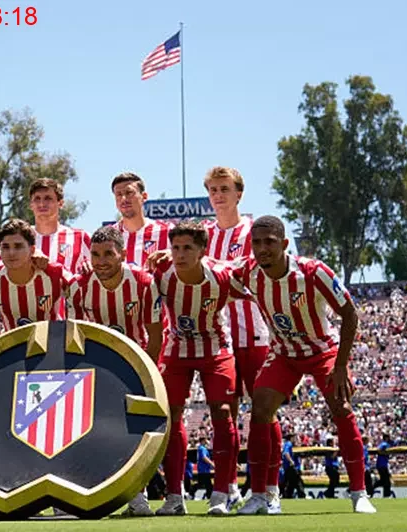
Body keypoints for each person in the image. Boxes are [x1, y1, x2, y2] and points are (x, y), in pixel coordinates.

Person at [234, 216, 376, 515]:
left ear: (284, 244)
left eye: (269, 242)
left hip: (322, 350)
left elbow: (350, 314)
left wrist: (341, 366)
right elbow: (214, 270)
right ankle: (261, 495)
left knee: (341, 408)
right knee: (260, 408)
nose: (262, 248)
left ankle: (359, 493)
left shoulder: (313, 271)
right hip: (284, 353)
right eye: (256, 243)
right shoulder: (248, 272)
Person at [65, 225, 162, 517]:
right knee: (88, 430)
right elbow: (74, 334)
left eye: (108, 254)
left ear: (123, 254)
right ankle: (78, 494)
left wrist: (148, 373)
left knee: (134, 432)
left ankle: (138, 496)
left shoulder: (143, 282)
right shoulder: (79, 286)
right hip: (95, 368)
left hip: (136, 364)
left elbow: (155, 335)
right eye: (95, 254)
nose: (101, 261)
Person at [152, 222, 248, 516]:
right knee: (170, 415)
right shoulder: (161, 273)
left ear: (202, 251)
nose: (180, 254)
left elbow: (257, 285)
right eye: (175, 248)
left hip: (215, 347)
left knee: (222, 412)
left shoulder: (222, 276)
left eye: (187, 248)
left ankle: (221, 494)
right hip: (176, 347)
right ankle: (174, 496)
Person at [203, 166, 273, 511]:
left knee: (264, 413)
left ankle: (269, 489)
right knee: (223, 415)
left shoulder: (254, 231)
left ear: (239, 194)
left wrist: (212, 267)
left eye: (225, 189)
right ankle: (228, 486)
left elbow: (249, 274)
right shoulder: (203, 233)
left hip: (255, 333)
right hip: (219, 337)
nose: (218, 195)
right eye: (213, 190)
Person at [0, 218, 73, 330]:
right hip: (13, 341)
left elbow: (80, 288)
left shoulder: (54, 274)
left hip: (52, 340)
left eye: (18, 246)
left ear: (32, 250)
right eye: (5, 247)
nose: (11, 253)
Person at [110, 172, 172, 267]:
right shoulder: (109, 236)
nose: (123, 199)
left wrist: (172, 254)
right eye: (118, 194)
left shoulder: (167, 231)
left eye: (129, 193)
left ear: (144, 196)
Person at [29, 178, 91, 274]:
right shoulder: (20, 237)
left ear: (60, 203)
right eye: (37, 199)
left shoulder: (81, 237)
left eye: (48, 198)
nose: (42, 204)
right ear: (31, 205)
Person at [281, 433, 304, 499]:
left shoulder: (287, 444)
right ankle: (301, 495)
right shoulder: (289, 444)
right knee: (298, 480)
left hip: (287, 467)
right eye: (294, 438)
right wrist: (291, 461)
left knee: (291, 482)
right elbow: (286, 453)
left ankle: (288, 496)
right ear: (291, 438)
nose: (295, 439)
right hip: (290, 466)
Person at [375, 434, 392, 498]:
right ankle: (386, 495)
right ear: (386, 438)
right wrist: (385, 453)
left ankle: (371, 488)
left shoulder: (383, 444)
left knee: (383, 481)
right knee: (386, 481)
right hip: (382, 465)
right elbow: (379, 450)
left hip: (381, 465)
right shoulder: (385, 444)